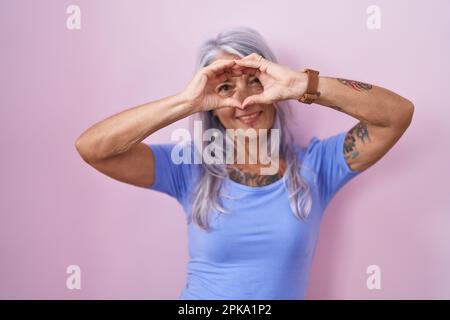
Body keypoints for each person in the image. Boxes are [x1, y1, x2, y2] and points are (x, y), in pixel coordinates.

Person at [75, 26, 414, 299]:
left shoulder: (318, 165)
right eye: (225, 88)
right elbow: (93, 147)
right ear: (209, 102)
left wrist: (300, 84)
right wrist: (186, 101)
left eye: (255, 80)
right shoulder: (188, 166)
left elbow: (396, 115)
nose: (245, 100)